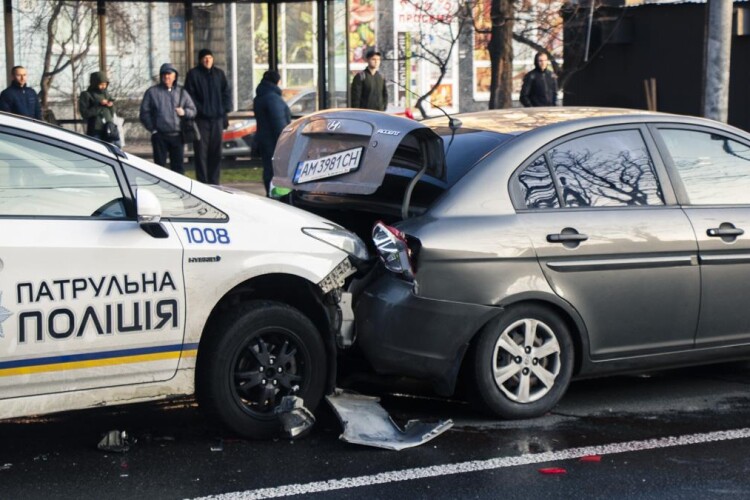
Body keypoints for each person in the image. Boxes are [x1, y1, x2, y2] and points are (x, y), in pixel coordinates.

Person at [139, 63, 197, 175]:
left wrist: (184, 112)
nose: (167, 77)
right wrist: (153, 129)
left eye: (169, 74)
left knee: (178, 169)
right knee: (159, 169)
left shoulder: (182, 92)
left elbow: (193, 110)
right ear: (161, 76)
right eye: (164, 74)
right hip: (160, 136)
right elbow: (144, 113)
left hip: (178, 136)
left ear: (175, 76)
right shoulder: (152, 92)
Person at [184, 48, 231, 185]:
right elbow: (189, 96)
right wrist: (201, 110)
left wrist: (223, 110)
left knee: (216, 152)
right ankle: (203, 182)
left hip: (217, 119)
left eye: (209, 57)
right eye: (205, 58)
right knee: (201, 153)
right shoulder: (193, 75)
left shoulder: (219, 74)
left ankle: (214, 182)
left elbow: (226, 94)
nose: (207, 60)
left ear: (213, 59)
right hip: (201, 121)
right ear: (200, 60)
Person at [253, 70, 291, 196]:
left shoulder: (260, 96)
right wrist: (285, 142)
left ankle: (270, 194)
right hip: (274, 141)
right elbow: (279, 123)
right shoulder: (273, 98)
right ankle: (274, 196)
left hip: (264, 140)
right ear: (277, 81)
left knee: (268, 169)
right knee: (275, 170)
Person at [79, 71, 117, 143]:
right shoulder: (86, 95)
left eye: (105, 85)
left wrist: (111, 106)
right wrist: (99, 106)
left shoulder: (106, 94)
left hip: (109, 128)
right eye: (101, 84)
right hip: (95, 129)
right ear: (95, 84)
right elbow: (85, 113)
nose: (103, 87)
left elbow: (112, 113)